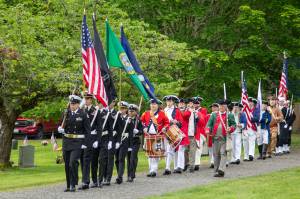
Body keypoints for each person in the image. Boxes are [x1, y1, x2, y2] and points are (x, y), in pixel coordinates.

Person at [58, 95, 91, 192]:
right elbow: (62, 125)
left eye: (74, 104)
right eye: (71, 104)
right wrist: (60, 129)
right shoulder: (66, 114)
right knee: (67, 164)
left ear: (78, 104)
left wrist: (85, 143)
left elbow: (87, 131)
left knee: (73, 162)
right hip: (67, 142)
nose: (72, 106)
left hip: (78, 142)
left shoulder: (83, 114)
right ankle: (69, 185)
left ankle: (73, 184)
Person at [79, 93, 103, 190]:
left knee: (91, 160)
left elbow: (99, 127)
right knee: (82, 159)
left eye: (88, 99)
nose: (86, 100)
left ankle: (91, 180)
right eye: (85, 98)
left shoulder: (96, 111)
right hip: (82, 138)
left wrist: (97, 140)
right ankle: (85, 180)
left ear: (91, 100)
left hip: (92, 138)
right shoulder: (81, 110)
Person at [206, 99, 236, 177]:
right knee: (216, 155)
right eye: (220, 106)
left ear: (226, 107)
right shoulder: (214, 115)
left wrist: (231, 128)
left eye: (223, 106)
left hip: (224, 138)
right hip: (215, 138)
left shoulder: (229, 115)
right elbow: (209, 124)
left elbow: (234, 125)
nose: (221, 107)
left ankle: (221, 170)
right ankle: (216, 170)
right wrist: (208, 129)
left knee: (223, 153)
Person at [141, 99, 169, 177]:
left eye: (155, 104)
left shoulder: (162, 114)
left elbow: (167, 123)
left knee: (156, 154)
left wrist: (164, 128)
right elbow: (141, 122)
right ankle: (151, 170)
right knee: (150, 154)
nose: (153, 105)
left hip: (158, 136)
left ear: (158, 105)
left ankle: (154, 170)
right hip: (148, 136)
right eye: (152, 104)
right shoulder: (145, 113)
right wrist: (144, 128)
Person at [162, 95, 183, 175]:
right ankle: (171, 167)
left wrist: (176, 122)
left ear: (173, 102)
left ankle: (168, 168)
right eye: (167, 101)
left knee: (170, 149)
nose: (168, 103)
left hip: (173, 130)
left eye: (170, 101)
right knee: (167, 150)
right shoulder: (164, 110)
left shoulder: (177, 110)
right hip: (165, 131)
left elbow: (180, 123)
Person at [98, 102, 114, 187]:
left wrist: (111, 140)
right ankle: (95, 179)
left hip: (105, 139)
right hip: (95, 139)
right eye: (98, 102)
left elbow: (111, 129)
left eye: (100, 102)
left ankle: (100, 179)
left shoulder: (107, 114)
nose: (98, 104)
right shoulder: (94, 113)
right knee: (94, 161)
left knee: (102, 159)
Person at [115, 101, 131, 184]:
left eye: (123, 108)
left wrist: (130, 144)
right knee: (117, 159)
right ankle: (119, 173)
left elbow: (131, 132)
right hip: (116, 139)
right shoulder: (116, 117)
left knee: (121, 158)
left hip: (124, 139)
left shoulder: (129, 118)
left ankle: (119, 177)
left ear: (126, 109)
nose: (122, 110)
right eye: (121, 108)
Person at [127, 104, 143, 182]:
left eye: (132, 111)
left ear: (136, 112)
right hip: (128, 141)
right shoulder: (126, 119)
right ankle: (129, 174)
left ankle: (131, 175)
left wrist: (137, 132)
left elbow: (141, 132)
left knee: (133, 157)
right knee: (129, 158)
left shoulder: (138, 120)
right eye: (129, 111)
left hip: (135, 141)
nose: (130, 112)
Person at [174, 98, 190, 173]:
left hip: (184, 133)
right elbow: (176, 120)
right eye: (180, 104)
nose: (181, 105)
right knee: (179, 150)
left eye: (183, 104)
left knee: (181, 149)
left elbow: (184, 116)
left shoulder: (188, 111)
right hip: (178, 132)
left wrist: (179, 110)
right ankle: (180, 166)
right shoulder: (177, 111)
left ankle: (180, 166)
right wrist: (174, 121)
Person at [192, 96, 208, 171]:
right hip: (192, 131)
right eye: (194, 103)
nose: (195, 104)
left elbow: (203, 120)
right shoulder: (190, 110)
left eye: (197, 103)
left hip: (200, 131)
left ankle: (197, 163)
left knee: (198, 147)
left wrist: (197, 113)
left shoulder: (203, 110)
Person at [243, 97, 259, 161]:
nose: (249, 103)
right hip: (245, 128)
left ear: (253, 103)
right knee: (245, 142)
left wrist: (250, 119)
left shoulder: (256, 110)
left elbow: (257, 118)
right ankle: (246, 156)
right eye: (248, 102)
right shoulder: (244, 110)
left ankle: (251, 155)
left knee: (252, 141)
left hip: (253, 127)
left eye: (251, 102)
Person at [206, 103, 219, 168]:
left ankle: (214, 161)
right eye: (212, 107)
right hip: (210, 134)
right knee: (210, 148)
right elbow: (207, 124)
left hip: (217, 133)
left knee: (216, 148)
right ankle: (212, 161)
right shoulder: (208, 115)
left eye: (215, 107)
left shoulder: (219, 115)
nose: (213, 108)